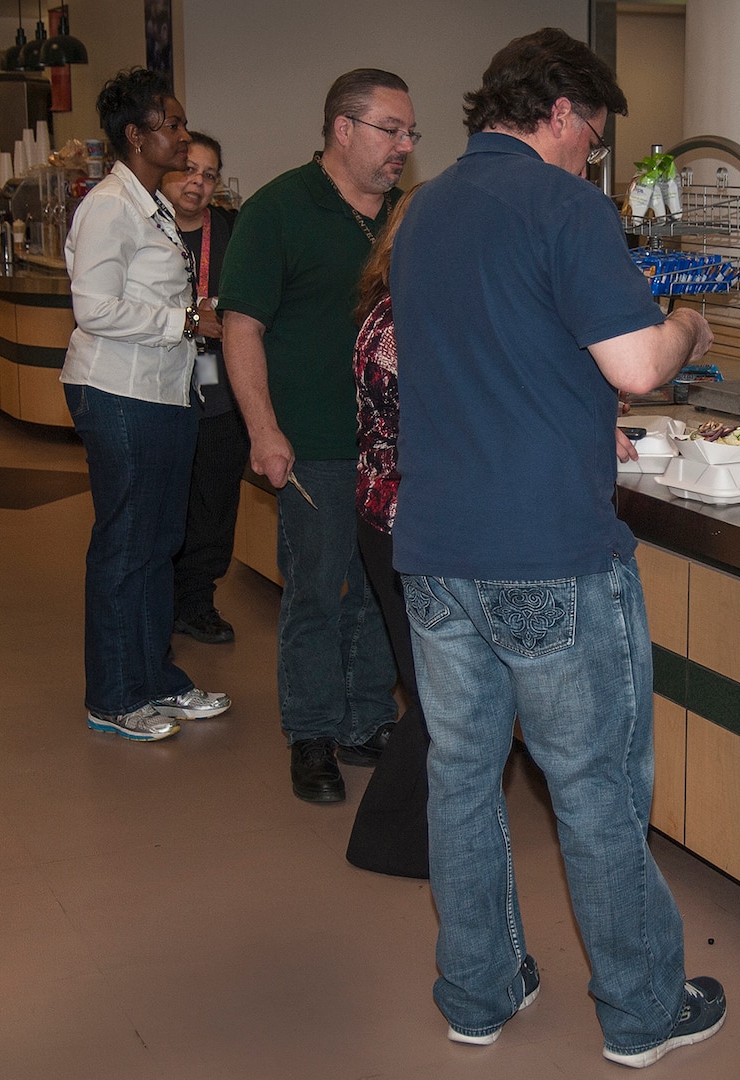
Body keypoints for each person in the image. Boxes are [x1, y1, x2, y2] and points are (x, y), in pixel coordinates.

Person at [391, 29, 725, 1065]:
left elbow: (487, 354)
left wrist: (568, 410)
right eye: (593, 133)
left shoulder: (425, 210)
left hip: (439, 549)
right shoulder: (564, 205)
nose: (594, 154)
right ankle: (642, 1012)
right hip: (551, 556)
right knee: (593, 790)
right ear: (564, 112)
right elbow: (633, 365)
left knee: (461, 777)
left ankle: (478, 993)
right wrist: (684, 326)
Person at [219, 69, 411, 803]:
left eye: (409, 134)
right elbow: (241, 327)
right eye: (390, 130)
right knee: (315, 593)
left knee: (377, 591)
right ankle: (311, 735)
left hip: (390, 445)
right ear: (343, 129)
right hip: (313, 442)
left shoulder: (402, 216)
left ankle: (366, 719)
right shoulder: (278, 210)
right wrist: (264, 429)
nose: (403, 146)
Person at [63, 68, 232, 742]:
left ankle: (154, 678)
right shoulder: (110, 205)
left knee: (160, 544)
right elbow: (94, 309)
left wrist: (187, 321)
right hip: (119, 393)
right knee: (126, 547)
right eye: (172, 124)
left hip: (165, 392)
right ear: (136, 136)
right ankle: (112, 695)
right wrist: (185, 324)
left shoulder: (150, 205)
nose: (183, 136)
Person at [344, 187, 431, 879]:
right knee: (439, 697)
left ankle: (408, 836)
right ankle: (388, 839)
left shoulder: (395, 314)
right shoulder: (408, 327)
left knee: (436, 693)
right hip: (407, 525)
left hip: (391, 517)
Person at [159, 132, 248, 646]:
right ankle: (160, 599)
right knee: (168, 497)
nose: (196, 182)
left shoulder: (234, 231)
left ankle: (197, 600)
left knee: (215, 498)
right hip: (159, 385)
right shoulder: (147, 228)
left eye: (208, 174)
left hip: (218, 386)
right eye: (188, 169)